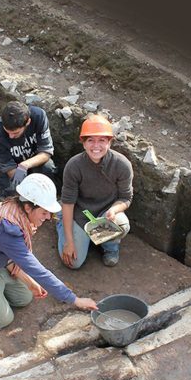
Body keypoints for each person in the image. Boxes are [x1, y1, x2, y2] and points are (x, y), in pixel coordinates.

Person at [0, 173, 97, 330]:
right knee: (1, 320)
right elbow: (36, 269)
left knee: (24, 297)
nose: (48, 217)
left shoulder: (15, 212)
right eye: (44, 212)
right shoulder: (8, 229)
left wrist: (29, 282)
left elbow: (11, 254)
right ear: (28, 207)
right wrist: (74, 299)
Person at [57, 114, 133, 269]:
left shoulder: (122, 165)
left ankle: (109, 246)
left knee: (122, 224)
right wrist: (69, 242)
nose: (96, 146)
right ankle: (62, 224)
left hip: (104, 213)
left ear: (110, 142)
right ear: (83, 143)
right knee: (74, 263)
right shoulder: (74, 166)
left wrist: (114, 209)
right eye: (90, 140)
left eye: (102, 140)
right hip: (80, 213)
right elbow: (68, 203)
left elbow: (126, 197)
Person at [0, 101, 59, 198]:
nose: (11, 136)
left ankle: (48, 197)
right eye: (8, 132)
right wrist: (23, 189)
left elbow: (46, 152)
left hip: (34, 160)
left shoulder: (39, 116)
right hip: (12, 166)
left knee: (48, 168)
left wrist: (24, 165)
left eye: (16, 133)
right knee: (11, 192)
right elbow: (8, 166)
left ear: (28, 122)